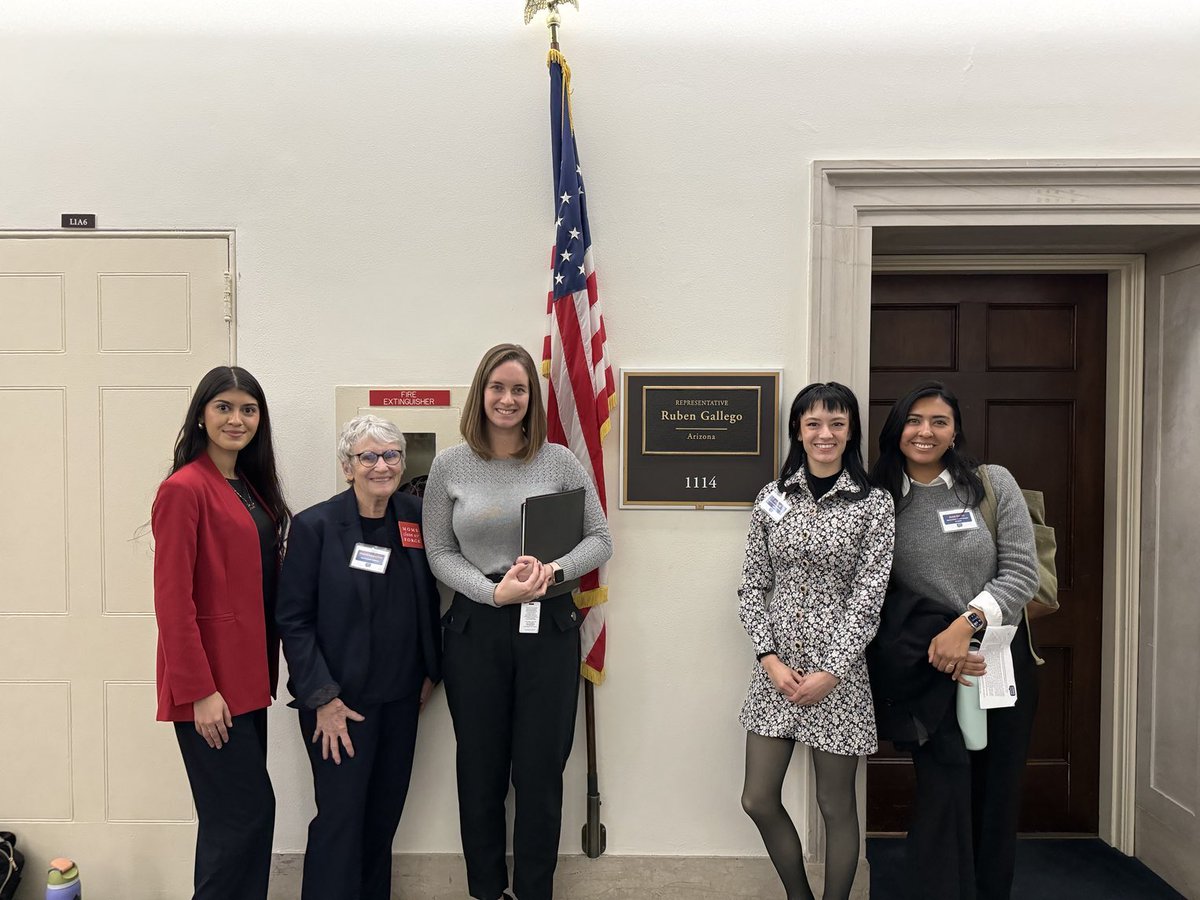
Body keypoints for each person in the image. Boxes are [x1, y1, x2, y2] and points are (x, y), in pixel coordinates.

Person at [422, 343, 613, 900]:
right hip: (475, 632)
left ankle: (533, 891)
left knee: (539, 775)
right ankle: (485, 890)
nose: (508, 400)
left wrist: (551, 571)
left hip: (549, 629)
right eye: (498, 388)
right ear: (481, 393)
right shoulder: (450, 465)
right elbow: (438, 551)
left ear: (533, 399)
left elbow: (600, 539)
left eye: (519, 390)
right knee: (478, 773)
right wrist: (492, 592)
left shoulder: (557, 460)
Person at [869, 381, 1040, 900]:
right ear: (897, 427)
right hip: (931, 668)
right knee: (944, 795)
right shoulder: (877, 499)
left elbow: (1021, 573)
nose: (926, 431)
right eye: (915, 420)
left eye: (939, 421)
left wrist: (965, 626)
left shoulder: (990, 485)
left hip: (998, 663)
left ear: (955, 430)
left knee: (995, 794)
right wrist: (937, 645)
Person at [738, 382, 895, 900]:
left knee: (835, 806)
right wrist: (769, 659)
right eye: (813, 423)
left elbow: (869, 597)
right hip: (776, 673)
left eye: (837, 423)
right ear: (798, 431)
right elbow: (753, 585)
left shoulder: (874, 504)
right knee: (758, 798)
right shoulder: (772, 498)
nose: (825, 434)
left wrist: (832, 671)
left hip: (840, 678)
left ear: (850, 432)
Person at [275, 414, 441, 900]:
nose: (381, 466)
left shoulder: (413, 516)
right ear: (348, 467)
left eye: (391, 455)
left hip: (401, 702)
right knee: (341, 823)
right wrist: (323, 699)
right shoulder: (315, 527)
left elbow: (428, 596)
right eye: (368, 456)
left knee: (382, 820)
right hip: (340, 709)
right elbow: (293, 620)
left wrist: (431, 670)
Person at [152, 365, 290, 900]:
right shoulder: (183, 489)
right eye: (224, 407)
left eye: (248, 409)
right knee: (242, 819)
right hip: (209, 690)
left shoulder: (249, 487)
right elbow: (172, 601)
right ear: (202, 415)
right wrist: (198, 692)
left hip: (248, 680)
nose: (237, 419)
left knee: (238, 823)